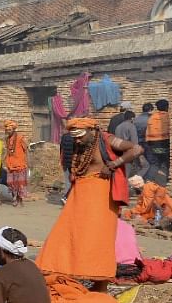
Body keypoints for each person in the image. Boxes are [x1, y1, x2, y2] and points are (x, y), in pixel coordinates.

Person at [36, 118, 142, 292]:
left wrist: (114, 164)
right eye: (75, 137)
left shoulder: (107, 139)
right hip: (79, 195)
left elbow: (136, 148)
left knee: (98, 239)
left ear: (91, 131)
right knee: (66, 232)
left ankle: (100, 282)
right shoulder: (82, 145)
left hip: (101, 198)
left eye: (80, 137)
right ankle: (60, 270)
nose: (77, 141)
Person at [144, 99, 171, 184]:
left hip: (151, 144)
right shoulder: (168, 117)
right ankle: (162, 183)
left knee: (155, 163)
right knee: (165, 163)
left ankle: (148, 180)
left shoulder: (152, 117)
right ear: (167, 107)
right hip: (164, 143)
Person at [3, 120, 28, 207]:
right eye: (7, 130)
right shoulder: (7, 139)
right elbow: (7, 151)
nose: (8, 131)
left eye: (10, 130)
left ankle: (20, 199)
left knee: (20, 183)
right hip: (10, 164)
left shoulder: (20, 137)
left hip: (20, 164)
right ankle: (14, 198)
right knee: (11, 183)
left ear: (14, 129)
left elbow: (26, 148)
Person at [59, 129, 76, 204]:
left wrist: (62, 161)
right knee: (74, 181)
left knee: (67, 181)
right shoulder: (77, 137)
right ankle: (67, 197)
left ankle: (67, 197)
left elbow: (61, 150)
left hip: (66, 162)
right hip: (74, 163)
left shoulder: (64, 136)